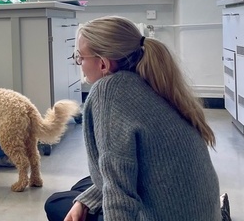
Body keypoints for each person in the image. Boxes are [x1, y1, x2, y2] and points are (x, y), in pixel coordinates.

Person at [45, 16, 222, 221]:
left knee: (56, 203)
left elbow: (119, 192)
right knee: (84, 186)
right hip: (204, 212)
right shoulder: (153, 80)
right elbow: (122, 169)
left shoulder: (108, 92)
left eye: (80, 57)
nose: (79, 63)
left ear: (103, 64)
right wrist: (85, 201)